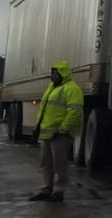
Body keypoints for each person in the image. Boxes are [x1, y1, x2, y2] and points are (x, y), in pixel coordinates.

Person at [29, 61, 83, 202]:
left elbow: (74, 111)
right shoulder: (51, 88)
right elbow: (43, 110)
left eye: (55, 73)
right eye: (52, 73)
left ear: (62, 74)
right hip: (47, 133)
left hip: (60, 134)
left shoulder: (72, 89)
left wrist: (63, 129)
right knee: (46, 162)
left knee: (59, 164)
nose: (52, 75)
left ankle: (58, 192)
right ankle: (46, 189)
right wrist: (38, 126)